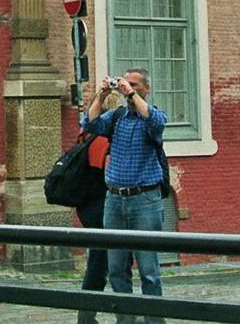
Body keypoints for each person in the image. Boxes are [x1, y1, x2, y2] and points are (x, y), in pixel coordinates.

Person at [82, 68, 167, 324]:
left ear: (146, 88)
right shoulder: (117, 117)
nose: (128, 87)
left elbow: (155, 122)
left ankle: (154, 321)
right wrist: (101, 95)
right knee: (117, 269)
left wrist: (131, 96)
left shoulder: (152, 117)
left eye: (134, 84)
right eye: (126, 83)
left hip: (145, 201)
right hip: (115, 200)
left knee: (148, 270)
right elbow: (90, 123)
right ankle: (125, 321)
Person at [73, 93, 113, 324]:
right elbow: (106, 175)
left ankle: (87, 315)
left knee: (100, 259)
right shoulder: (102, 140)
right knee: (101, 262)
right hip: (101, 206)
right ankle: (87, 316)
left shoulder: (86, 135)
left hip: (87, 205)